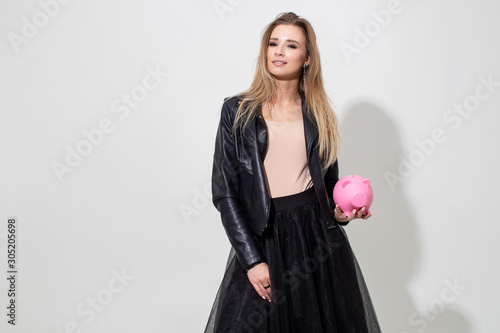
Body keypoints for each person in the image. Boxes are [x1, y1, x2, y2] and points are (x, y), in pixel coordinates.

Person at [204, 12, 381, 333]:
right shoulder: (237, 110)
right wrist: (252, 260)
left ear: (308, 58)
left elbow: (327, 185)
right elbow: (225, 193)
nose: (279, 52)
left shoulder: (319, 113)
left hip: (316, 237)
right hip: (264, 236)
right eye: (273, 44)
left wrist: (341, 214)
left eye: (291, 45)